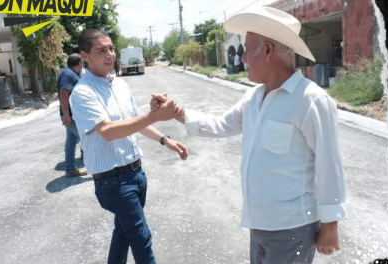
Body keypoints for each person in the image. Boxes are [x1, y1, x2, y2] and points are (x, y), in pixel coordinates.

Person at [151, 6, 348, 264]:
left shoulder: (311, 100)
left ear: (267, 51)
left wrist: (330, 224)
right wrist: (176, 112)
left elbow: (329, 164)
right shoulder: (255, 97)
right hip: (260, 223)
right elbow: (221, 124)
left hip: (292, 227)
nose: (242, 58)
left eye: (246, 50)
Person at [69, 29, 189, 264]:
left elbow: (135, 122)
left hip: (136, 174)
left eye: (111, 48)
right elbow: (108, 131)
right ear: (84, 56)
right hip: (113, 182)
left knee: (123, 234)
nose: (109, 54)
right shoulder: (83, 92)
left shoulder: (120, 85)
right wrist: (154, 116)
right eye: (101, 50)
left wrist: (166, 140)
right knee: (141, 238)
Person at [57, 53, 87, 177]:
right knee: (87, 138)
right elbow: (63, 94)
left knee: (71, 141)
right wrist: (66, 116)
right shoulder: (68, 74)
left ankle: (70, 169)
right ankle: (97, 167)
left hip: (73, 115)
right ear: (79, 64)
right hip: (71, 116)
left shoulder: (69, 73)